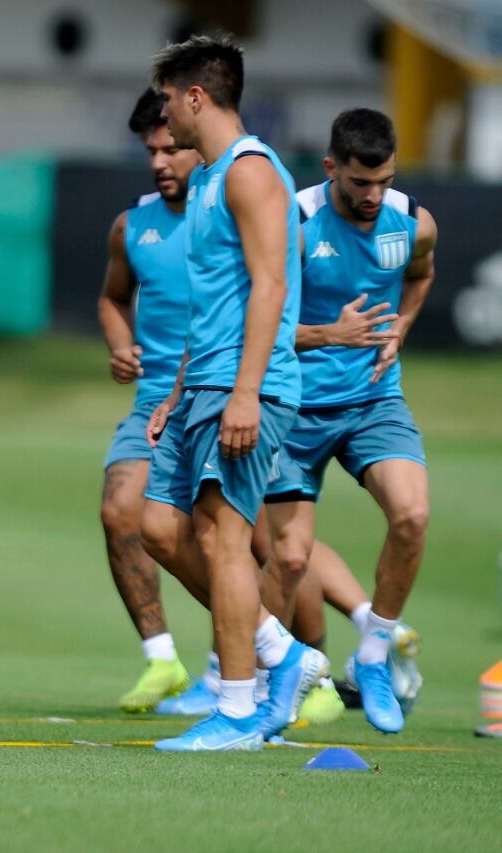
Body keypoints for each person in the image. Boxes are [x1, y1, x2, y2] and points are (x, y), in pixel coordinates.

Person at [139, 35, 327, 751]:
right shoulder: (211, 177)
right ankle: (283, 651)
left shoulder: (250, 172)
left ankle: (241, 709)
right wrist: (175, 391)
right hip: (202, 384)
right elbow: (214, 300)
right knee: (158, 526)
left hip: (245, 387)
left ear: (195, 97)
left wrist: (246, 391)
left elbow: (272, 286)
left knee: (223, 541)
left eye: (167, 99)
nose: (163, 117)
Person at [262, 107, 434, 733]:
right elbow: (260, 325)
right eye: (361, 183)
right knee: (287, 558)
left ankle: (371, 657)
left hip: (373, 403)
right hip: (294, 408)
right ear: (332, 168)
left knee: (412, 516)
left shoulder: (412, 223)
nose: (373, 195)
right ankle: (263, 691)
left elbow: (420, 276)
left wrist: (401, 330)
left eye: (384, 180)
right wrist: (328, 334)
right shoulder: (296, 224)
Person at [97, 88, 204, 713]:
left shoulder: (235, 212)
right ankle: (162, 659)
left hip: (222, 395)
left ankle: (255, 662)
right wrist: (119, 343)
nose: (161, 162)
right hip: (154, 403)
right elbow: (112, 298)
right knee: (120, 513)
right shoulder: (131, 226)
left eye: (173, 148)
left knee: (257, 545)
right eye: (151, 151)